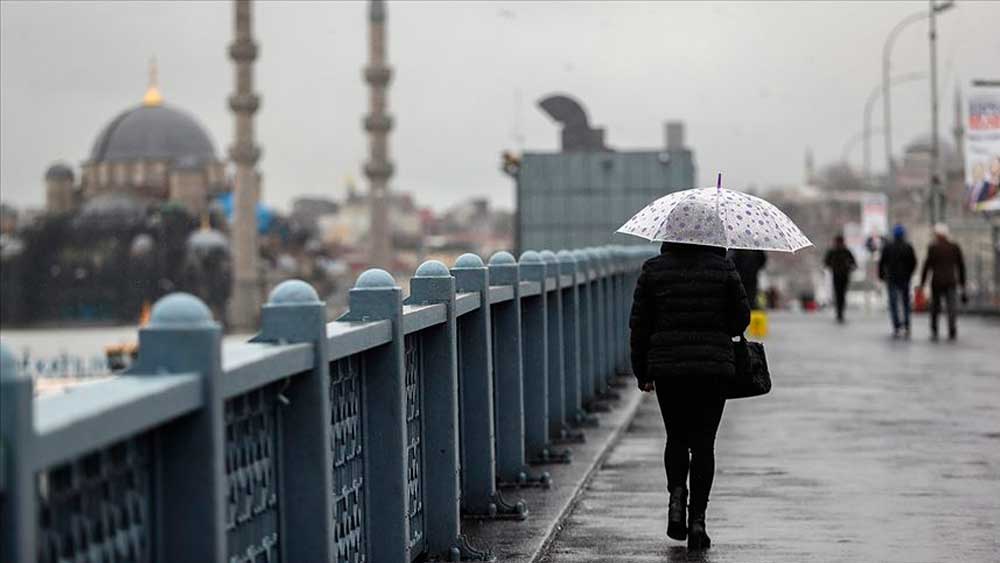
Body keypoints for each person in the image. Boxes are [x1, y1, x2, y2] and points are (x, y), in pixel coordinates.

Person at [629, 242, 751, 550]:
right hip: (713, 368)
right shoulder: (723, 268)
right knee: (704, 444)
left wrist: (641, 371)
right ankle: (697, 522)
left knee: (676, 438)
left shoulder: (653, 270)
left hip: (669, 369)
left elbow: (639, 325)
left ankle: (675, 498)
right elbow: (741, 320)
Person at [919, 223, 967, 341]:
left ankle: (935, 329)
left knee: (935, 307)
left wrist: (923, 282)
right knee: (951, 307)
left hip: (937, 281)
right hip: (951, 281)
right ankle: (952, 329)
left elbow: (927, 266)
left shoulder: (933, 248)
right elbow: (961, 266)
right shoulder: (954, 247)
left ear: (938, 235)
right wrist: (962, 282)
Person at [878, 224, 917, 338]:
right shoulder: (908, 247)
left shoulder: (888, 247)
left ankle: (896, 326)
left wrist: (882, 275)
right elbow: (913, 262)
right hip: (905, 278)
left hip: (892, 278)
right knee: (905, 302)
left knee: (893, 303)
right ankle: (907, 325)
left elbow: (882, 263)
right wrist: (909, 274)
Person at [823, 235, 857, 323]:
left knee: (839, 295)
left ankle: (839, 312)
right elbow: (854, 263)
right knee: (840, 295)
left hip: (840, 275)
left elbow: (826, 263)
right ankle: (840, 312)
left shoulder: (837, 251)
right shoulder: (844, 251)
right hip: (841, 275)